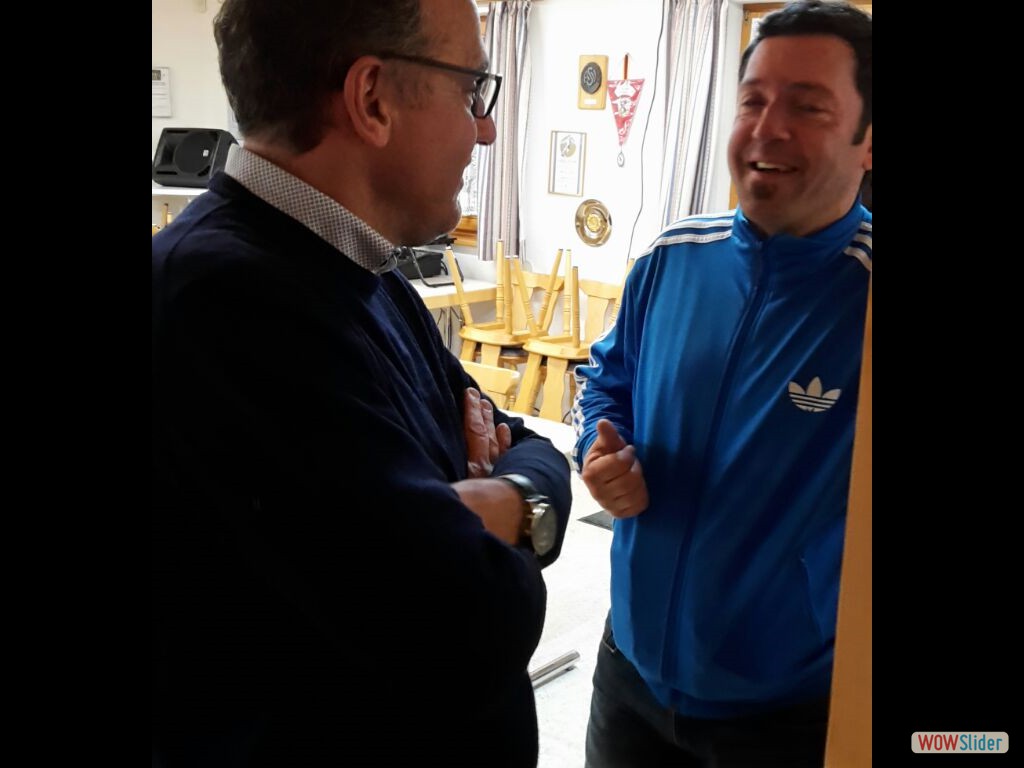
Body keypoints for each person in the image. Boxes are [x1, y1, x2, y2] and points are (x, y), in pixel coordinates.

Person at [151, 1, 572, 765]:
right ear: (372, 99)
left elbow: (530, 444)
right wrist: (511, 503)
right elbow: (471, 626)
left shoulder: (367, 273)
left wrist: (506, 495)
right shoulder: (221, 302)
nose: (485, 130)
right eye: (470, 90)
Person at [571, 1, 872, 765]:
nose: (768, 129)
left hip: (783, 712)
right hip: (629, 670)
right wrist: (599, 453)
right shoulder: (671, 258)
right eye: (752, 101)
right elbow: (605, 382)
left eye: (808, 106)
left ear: (868, 139)